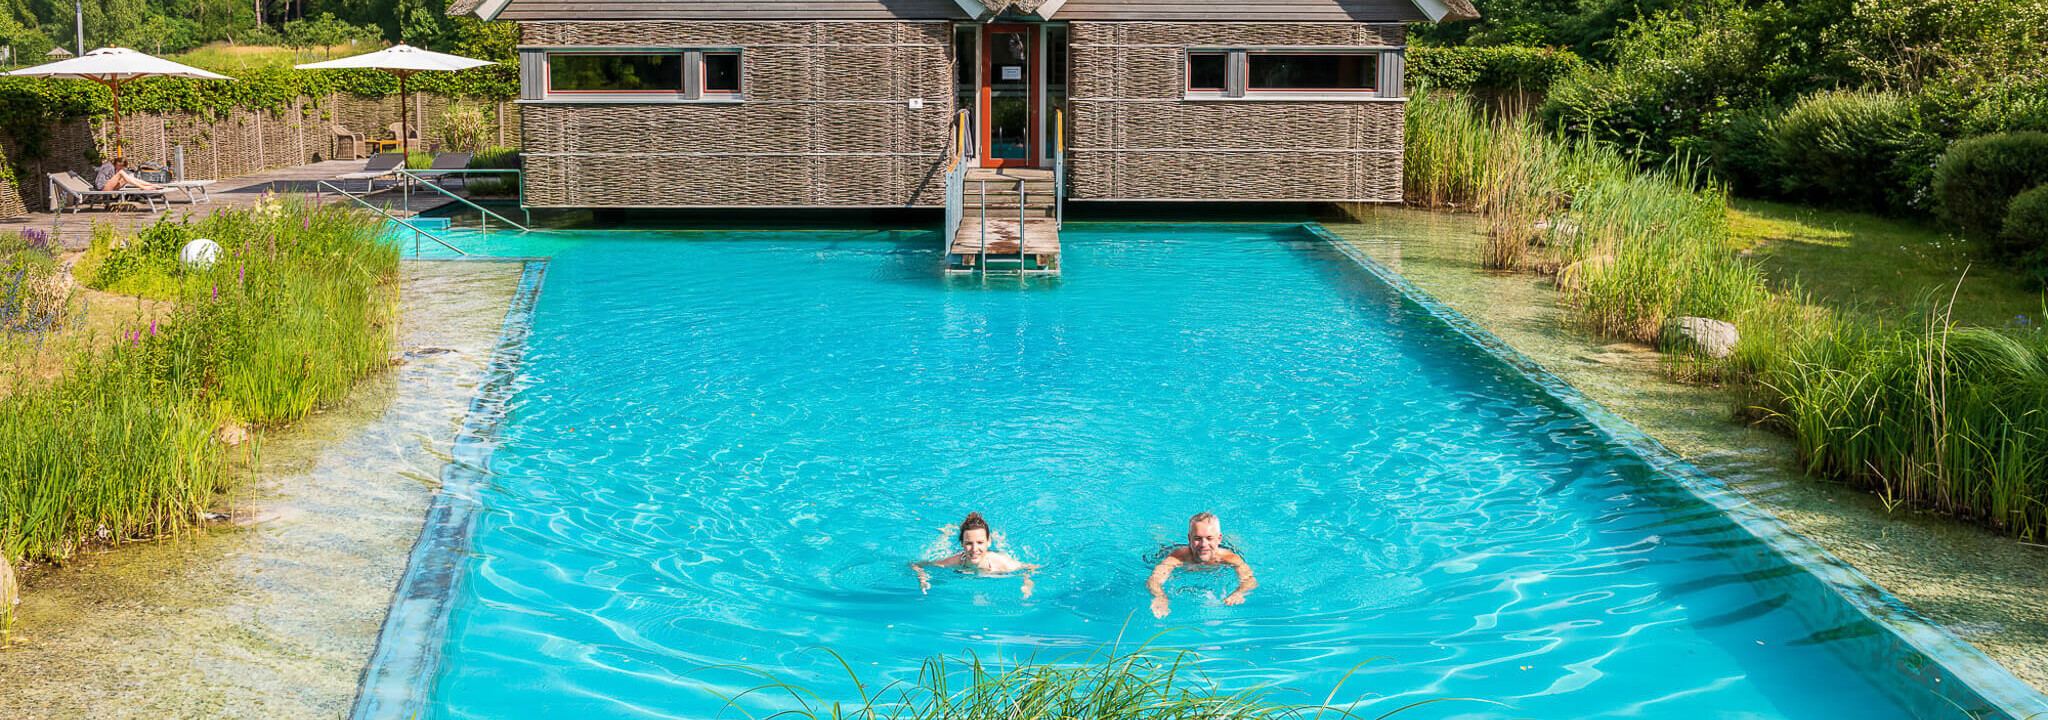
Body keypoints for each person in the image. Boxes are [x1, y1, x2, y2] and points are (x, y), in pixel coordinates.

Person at [1146, 512, 1255, 618]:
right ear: (1189, 539)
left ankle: (1232, 538)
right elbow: (1154, 580)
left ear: (1219, 539)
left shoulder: (1229, 558)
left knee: (1234, 544)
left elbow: (1250, 580)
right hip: (1179, 551)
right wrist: (1160, 597)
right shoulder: (1178, 557)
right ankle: (1158, 533)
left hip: (1224, 549)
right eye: (1198, 538)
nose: (1203, 544)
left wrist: (1239, 593)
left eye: (1209, 538)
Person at [914, 512, 1038, 598]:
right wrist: (922, 578)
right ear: (962, 543)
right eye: (968, 543)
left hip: (994, 557)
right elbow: (916, 565)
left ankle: (998, 538)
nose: (974, 549)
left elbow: (1031, 567)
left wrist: (1027, 583)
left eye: (980, 542)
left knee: (1003, 549)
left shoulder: (1002, 563)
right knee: (940, 549)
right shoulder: (954, 561)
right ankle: (946, 534)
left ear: (988, 542)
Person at [96, 158, 162, 192]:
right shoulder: (108, 166)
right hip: (102, 187)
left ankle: (150, 185)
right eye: (120, 167)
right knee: (121, 173)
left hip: (109, 186)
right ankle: (143, 187)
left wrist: (151, 185)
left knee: (129, 176)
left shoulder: (115, 167)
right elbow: (99, 183)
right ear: (118, 164)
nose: (120, 169)